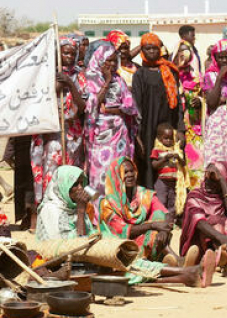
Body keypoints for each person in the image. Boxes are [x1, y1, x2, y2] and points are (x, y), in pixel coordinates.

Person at [30, 36, 88, 205]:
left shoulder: (80, 76)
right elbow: (40, 99)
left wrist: (70, 84)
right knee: (52, 167)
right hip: (52, 131)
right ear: (58, 53)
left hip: (73, 132)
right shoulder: (46, 73)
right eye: (65, 53)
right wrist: (58, 83)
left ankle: (70, 206)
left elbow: (83, 105)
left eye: (72, 53)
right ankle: (51, 205)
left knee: (71, 170)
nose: (69, 56)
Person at [83, 39, 138, 193]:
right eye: (109, 61)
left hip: (119, 136)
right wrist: (107, 81)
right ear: (99, 59)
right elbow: (92, 105)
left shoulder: (118, 79)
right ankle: (98, 211)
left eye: (115, 61)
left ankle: (117, 210)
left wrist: (114, 110)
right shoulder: (89, 78)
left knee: (118, 173)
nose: (113, 65)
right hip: (99, 135)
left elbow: (130, 105)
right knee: (99, 173)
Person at [97, 158, 174, 263]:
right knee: (154, 229)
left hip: (144, 241)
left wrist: (163, 230)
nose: (130, 175)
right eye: (125, 172)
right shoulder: (107, 204)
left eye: (132, 171)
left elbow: (165, 213)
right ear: (116, 176)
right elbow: (123, 231)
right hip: (121, 248)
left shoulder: (143, 194)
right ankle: (174, 260)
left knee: (158, 218)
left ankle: (173, 259)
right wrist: (153, 225)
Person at [132, 33, 183, 189]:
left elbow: (178, 103)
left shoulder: (170, 72)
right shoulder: (139, 75)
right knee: (147, 163)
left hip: (167, 126)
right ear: (142, 51)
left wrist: (180, 128)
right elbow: (136, 106)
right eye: (148, 48)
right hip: (146, 128)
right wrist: (137, 135)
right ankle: (149, 202)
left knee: (169, 163)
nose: (152, 52)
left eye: (155, 48)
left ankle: (170, 203)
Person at [174, 25, 205, 187]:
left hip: (193, 95)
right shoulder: (185, 48)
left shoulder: (189, 48)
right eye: (192, 34)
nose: (194, 37)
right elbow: (179, 67)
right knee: (193, 135)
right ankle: (194, 181)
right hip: (189, 96)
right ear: (184, 35)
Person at [180, 162, 227, 266]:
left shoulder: (222, 197)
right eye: (207, 177)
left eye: (213, 180)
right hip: (203, 242)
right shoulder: (195, 195)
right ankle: (217, 259)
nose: (208, 182)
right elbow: (199, 222)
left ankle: (220, 259)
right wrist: (219, 236)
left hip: (223, 240)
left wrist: (223, 182)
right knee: (216, 225)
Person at [35, 166, 95, 241]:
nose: (80, 188)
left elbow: (90, 235)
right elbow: (75, 244)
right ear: (63, 186)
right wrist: (81, 211)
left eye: (81, 183)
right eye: (75, 184)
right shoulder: (50, 210)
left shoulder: (74, 207)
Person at [150, 123, 189, 220]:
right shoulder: (157, 150)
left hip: (173, 182)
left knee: (173, 202)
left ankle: (170, 221)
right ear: (159, 138)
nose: (169, 141)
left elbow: (183, 164)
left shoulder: (176, 150)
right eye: (166, 138)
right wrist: (164, 159)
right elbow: (154, 165)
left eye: (171, 138)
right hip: (162, 181)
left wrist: (179, 158)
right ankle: (160, 219)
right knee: (162, 200)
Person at [203, 40, 227, 166]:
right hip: (218, 127)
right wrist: (219, 78)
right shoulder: (210, 75)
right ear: (215, 58)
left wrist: (223, 100)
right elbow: (212, 103)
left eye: (226, 57)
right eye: (220, 57)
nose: (223, 60)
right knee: (218, 164)